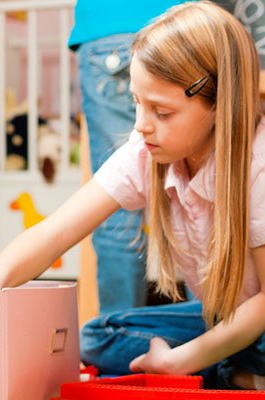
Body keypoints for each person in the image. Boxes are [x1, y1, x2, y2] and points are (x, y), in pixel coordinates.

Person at [0, 1, 265, 389]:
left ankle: (225, 369)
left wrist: (182, 359)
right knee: (96, 336)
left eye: (162, 112)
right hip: (223, 319)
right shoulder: (146, 149)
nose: (141, 126)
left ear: (220, 103)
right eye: (137, 102)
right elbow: (55, 233)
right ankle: (233, 374)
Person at [69, 0, 186, 313]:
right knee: (200, 193)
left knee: (115, 212)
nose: (143, 125)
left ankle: (115, 330)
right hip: (181, 25)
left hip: (107, 25)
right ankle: (215, 334)